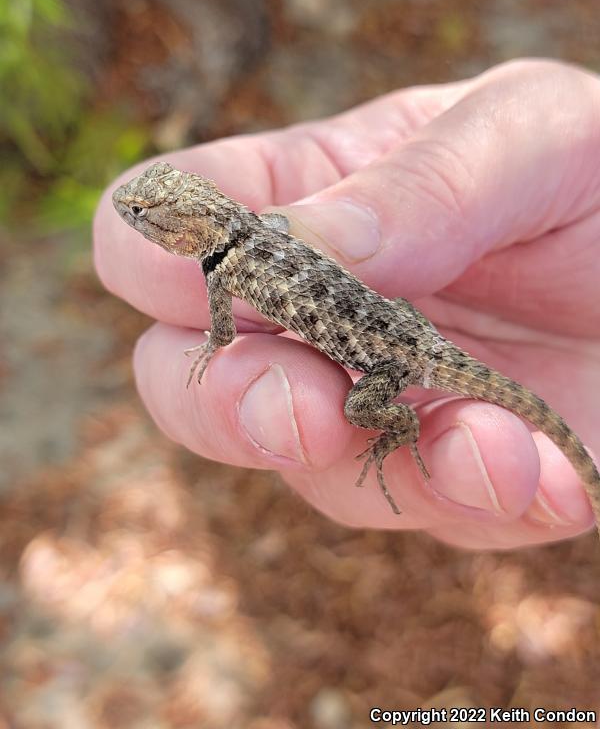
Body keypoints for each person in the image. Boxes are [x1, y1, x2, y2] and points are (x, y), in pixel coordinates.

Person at [94, 59, 600, 550]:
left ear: (183, 226)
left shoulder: (225, 266)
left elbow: (223, 336)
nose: (132, 216)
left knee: (358, 409)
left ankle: (404, 425)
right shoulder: (257, 232)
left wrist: (211, 348)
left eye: (140, 214)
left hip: (393, 357)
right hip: (409, 328)